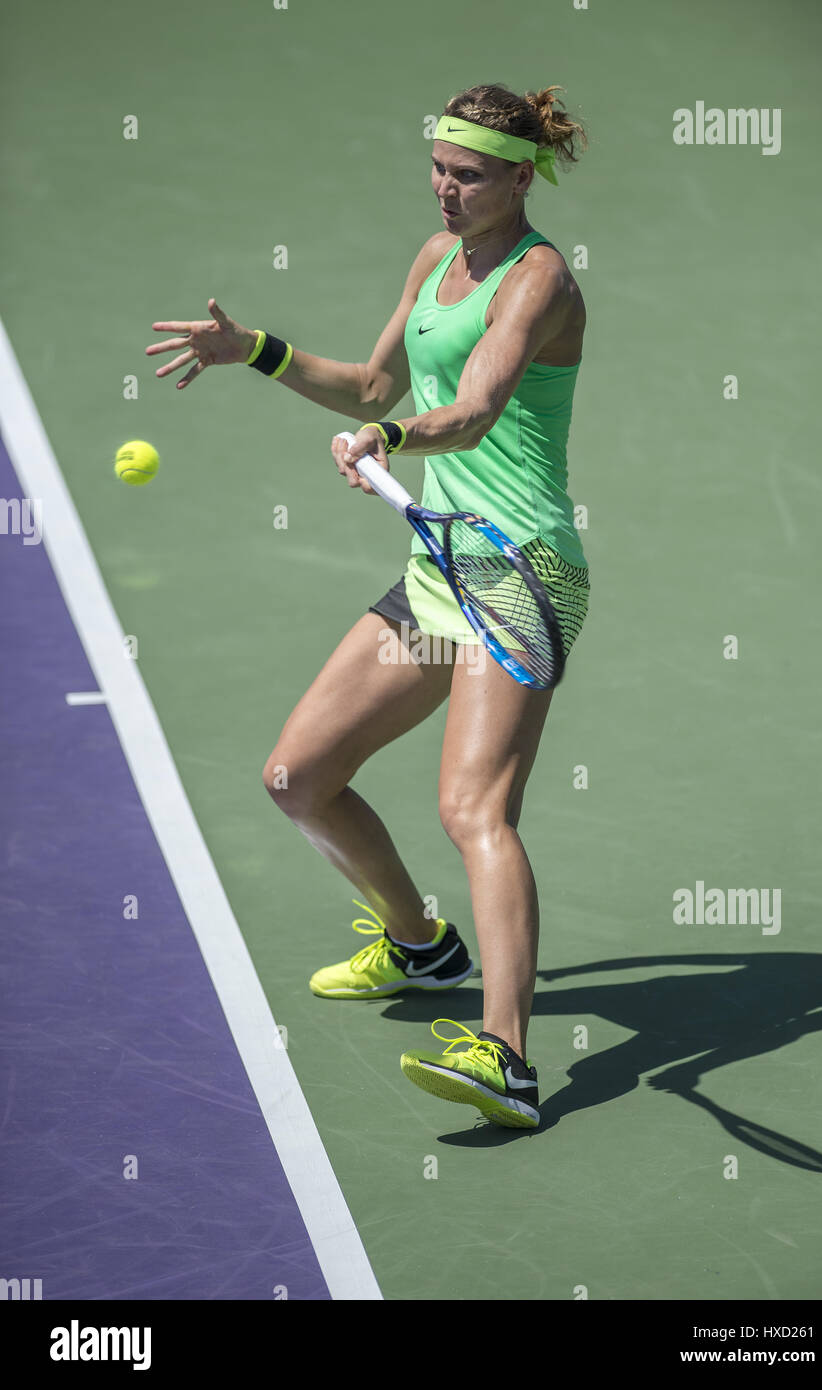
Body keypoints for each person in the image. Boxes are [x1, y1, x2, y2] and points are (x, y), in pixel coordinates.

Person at [146, 82, 590, 1131]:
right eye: (439, 165)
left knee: (473, 810)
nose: (446, 187)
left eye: (469, 173)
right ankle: (420, 944)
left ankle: (507, 1058)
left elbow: (472, 412)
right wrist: (255, 349)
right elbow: (373, 387)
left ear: (520, 177)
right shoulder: (435, 259)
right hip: (442, 567)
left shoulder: (540, 281)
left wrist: (390, 447)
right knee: (298, 776)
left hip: (519, 569)